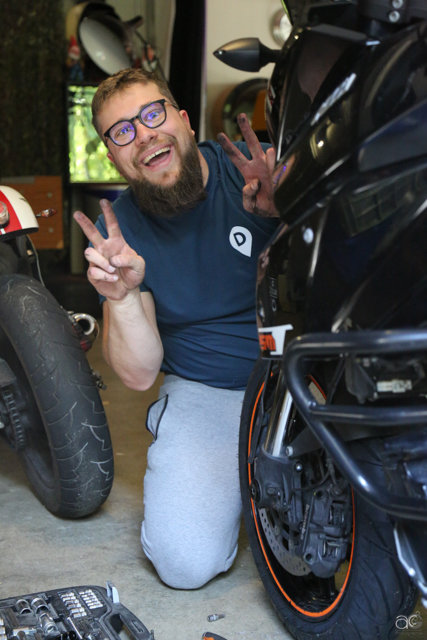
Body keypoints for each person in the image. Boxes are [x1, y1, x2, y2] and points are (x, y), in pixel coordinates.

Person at [73, 67, 278, 590]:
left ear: (184, 121)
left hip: (317, 373)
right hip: (212, 390)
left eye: (152, 114)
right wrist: (121, 297)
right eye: (122, 131)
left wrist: (290, 210)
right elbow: (139, 374)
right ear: (113, 157)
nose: (143, 135)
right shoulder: (120, 234)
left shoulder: (253, 170)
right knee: (184, 562)